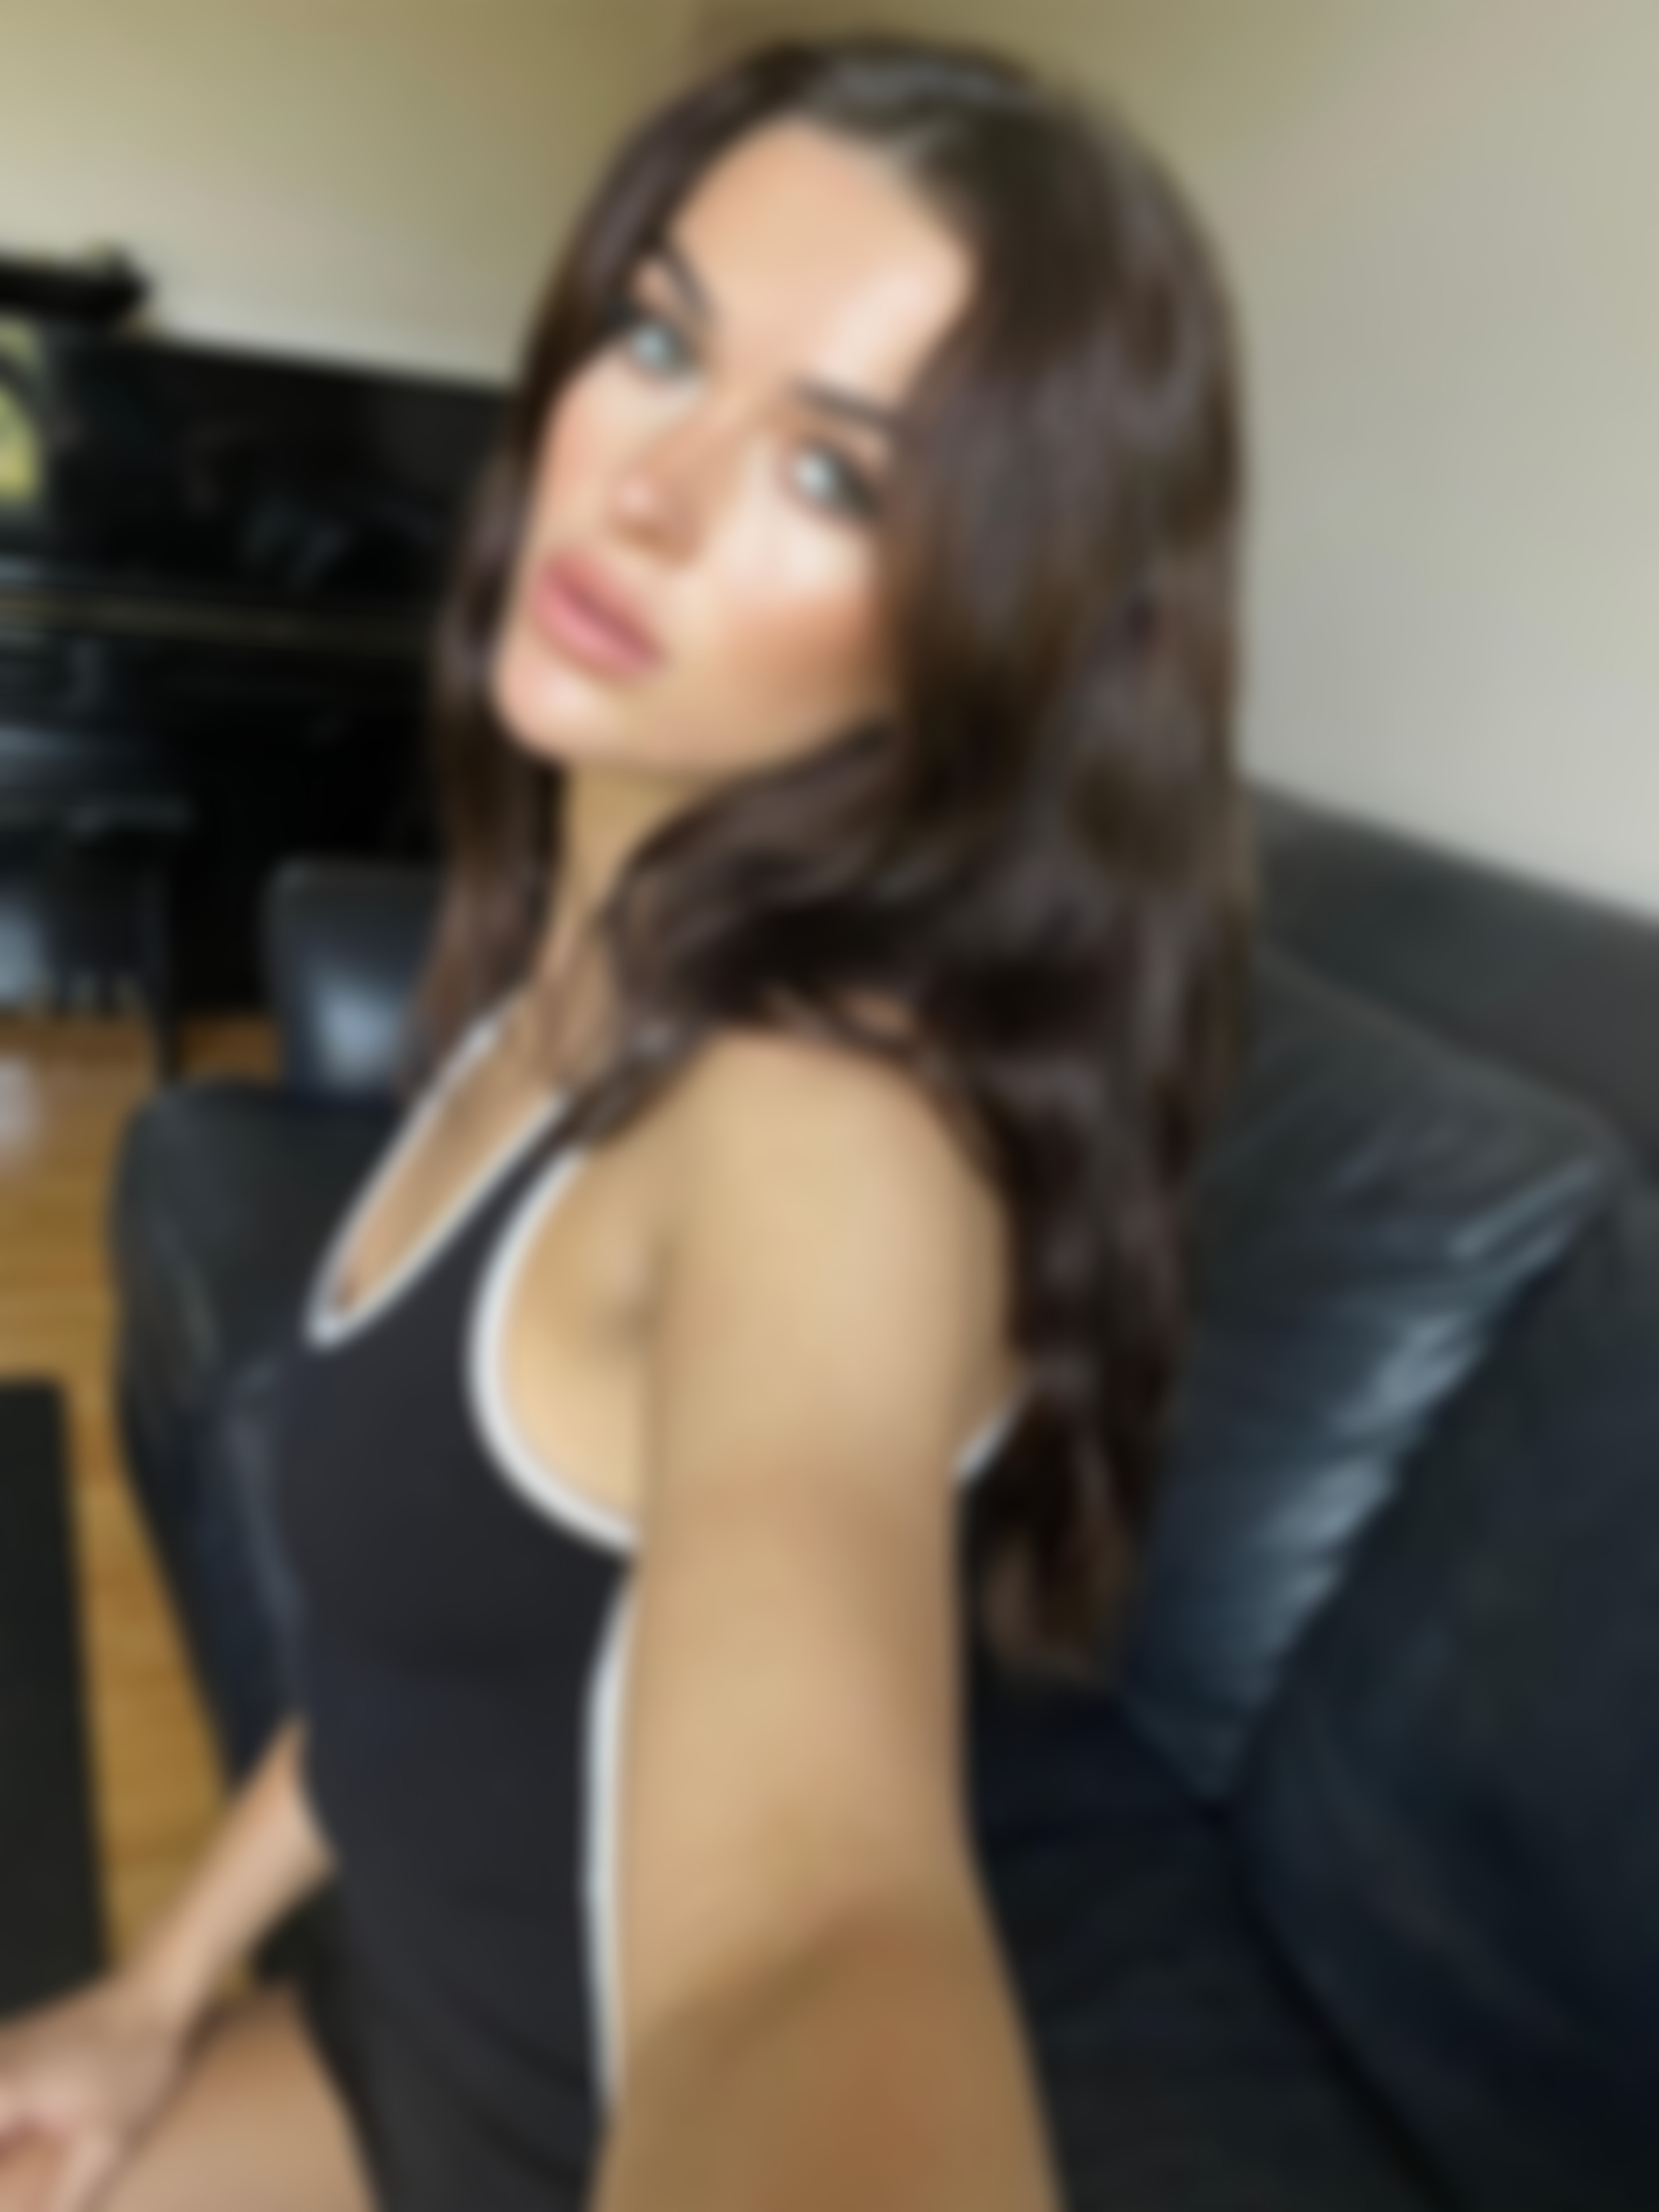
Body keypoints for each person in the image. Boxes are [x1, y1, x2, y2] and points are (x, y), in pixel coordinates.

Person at [0, 27, 1255, 2212]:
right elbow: (419, 1670)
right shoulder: (558, 989)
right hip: (376, 2043)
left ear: (992, 632)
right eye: (660, 339)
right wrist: (160, 1988)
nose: (645, 488)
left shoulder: (825, 1123)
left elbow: (818, 1944)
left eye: (835, 475)